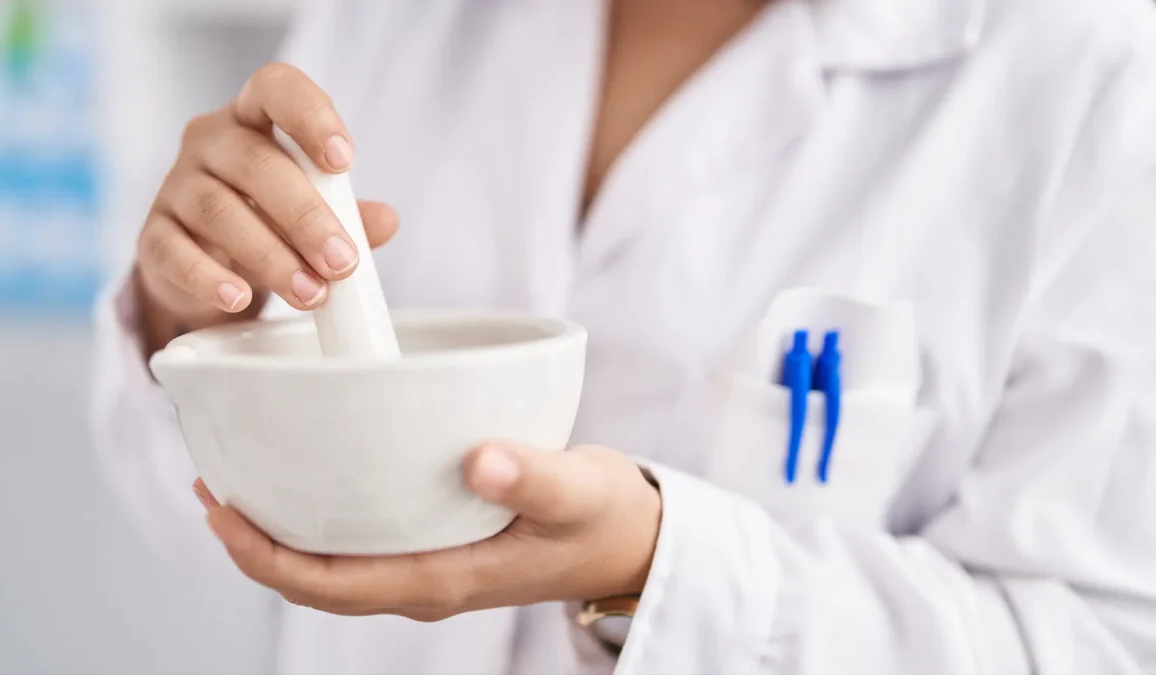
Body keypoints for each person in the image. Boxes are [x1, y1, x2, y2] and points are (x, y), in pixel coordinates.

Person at [89, 0, 1156, 672]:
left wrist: (655, 573)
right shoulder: (390, 21)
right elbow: (191, 522)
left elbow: (1106, 642)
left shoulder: (1089, 69)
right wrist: (200, 321)